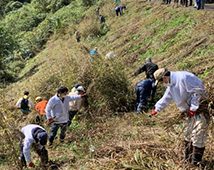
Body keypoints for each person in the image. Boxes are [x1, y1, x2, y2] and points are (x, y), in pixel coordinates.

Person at [149, 68, 209, 166]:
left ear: (164, 77)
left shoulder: (183, 77)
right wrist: (157, 109)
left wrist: (193, 108)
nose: (161, 83)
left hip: (200, 109)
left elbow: (197, 92)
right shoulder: (171, 84)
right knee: (188, 134)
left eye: (160, 81)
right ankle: (187, 160)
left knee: (198, 135)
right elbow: (167, 97)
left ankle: (195, 164)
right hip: (189, 112)